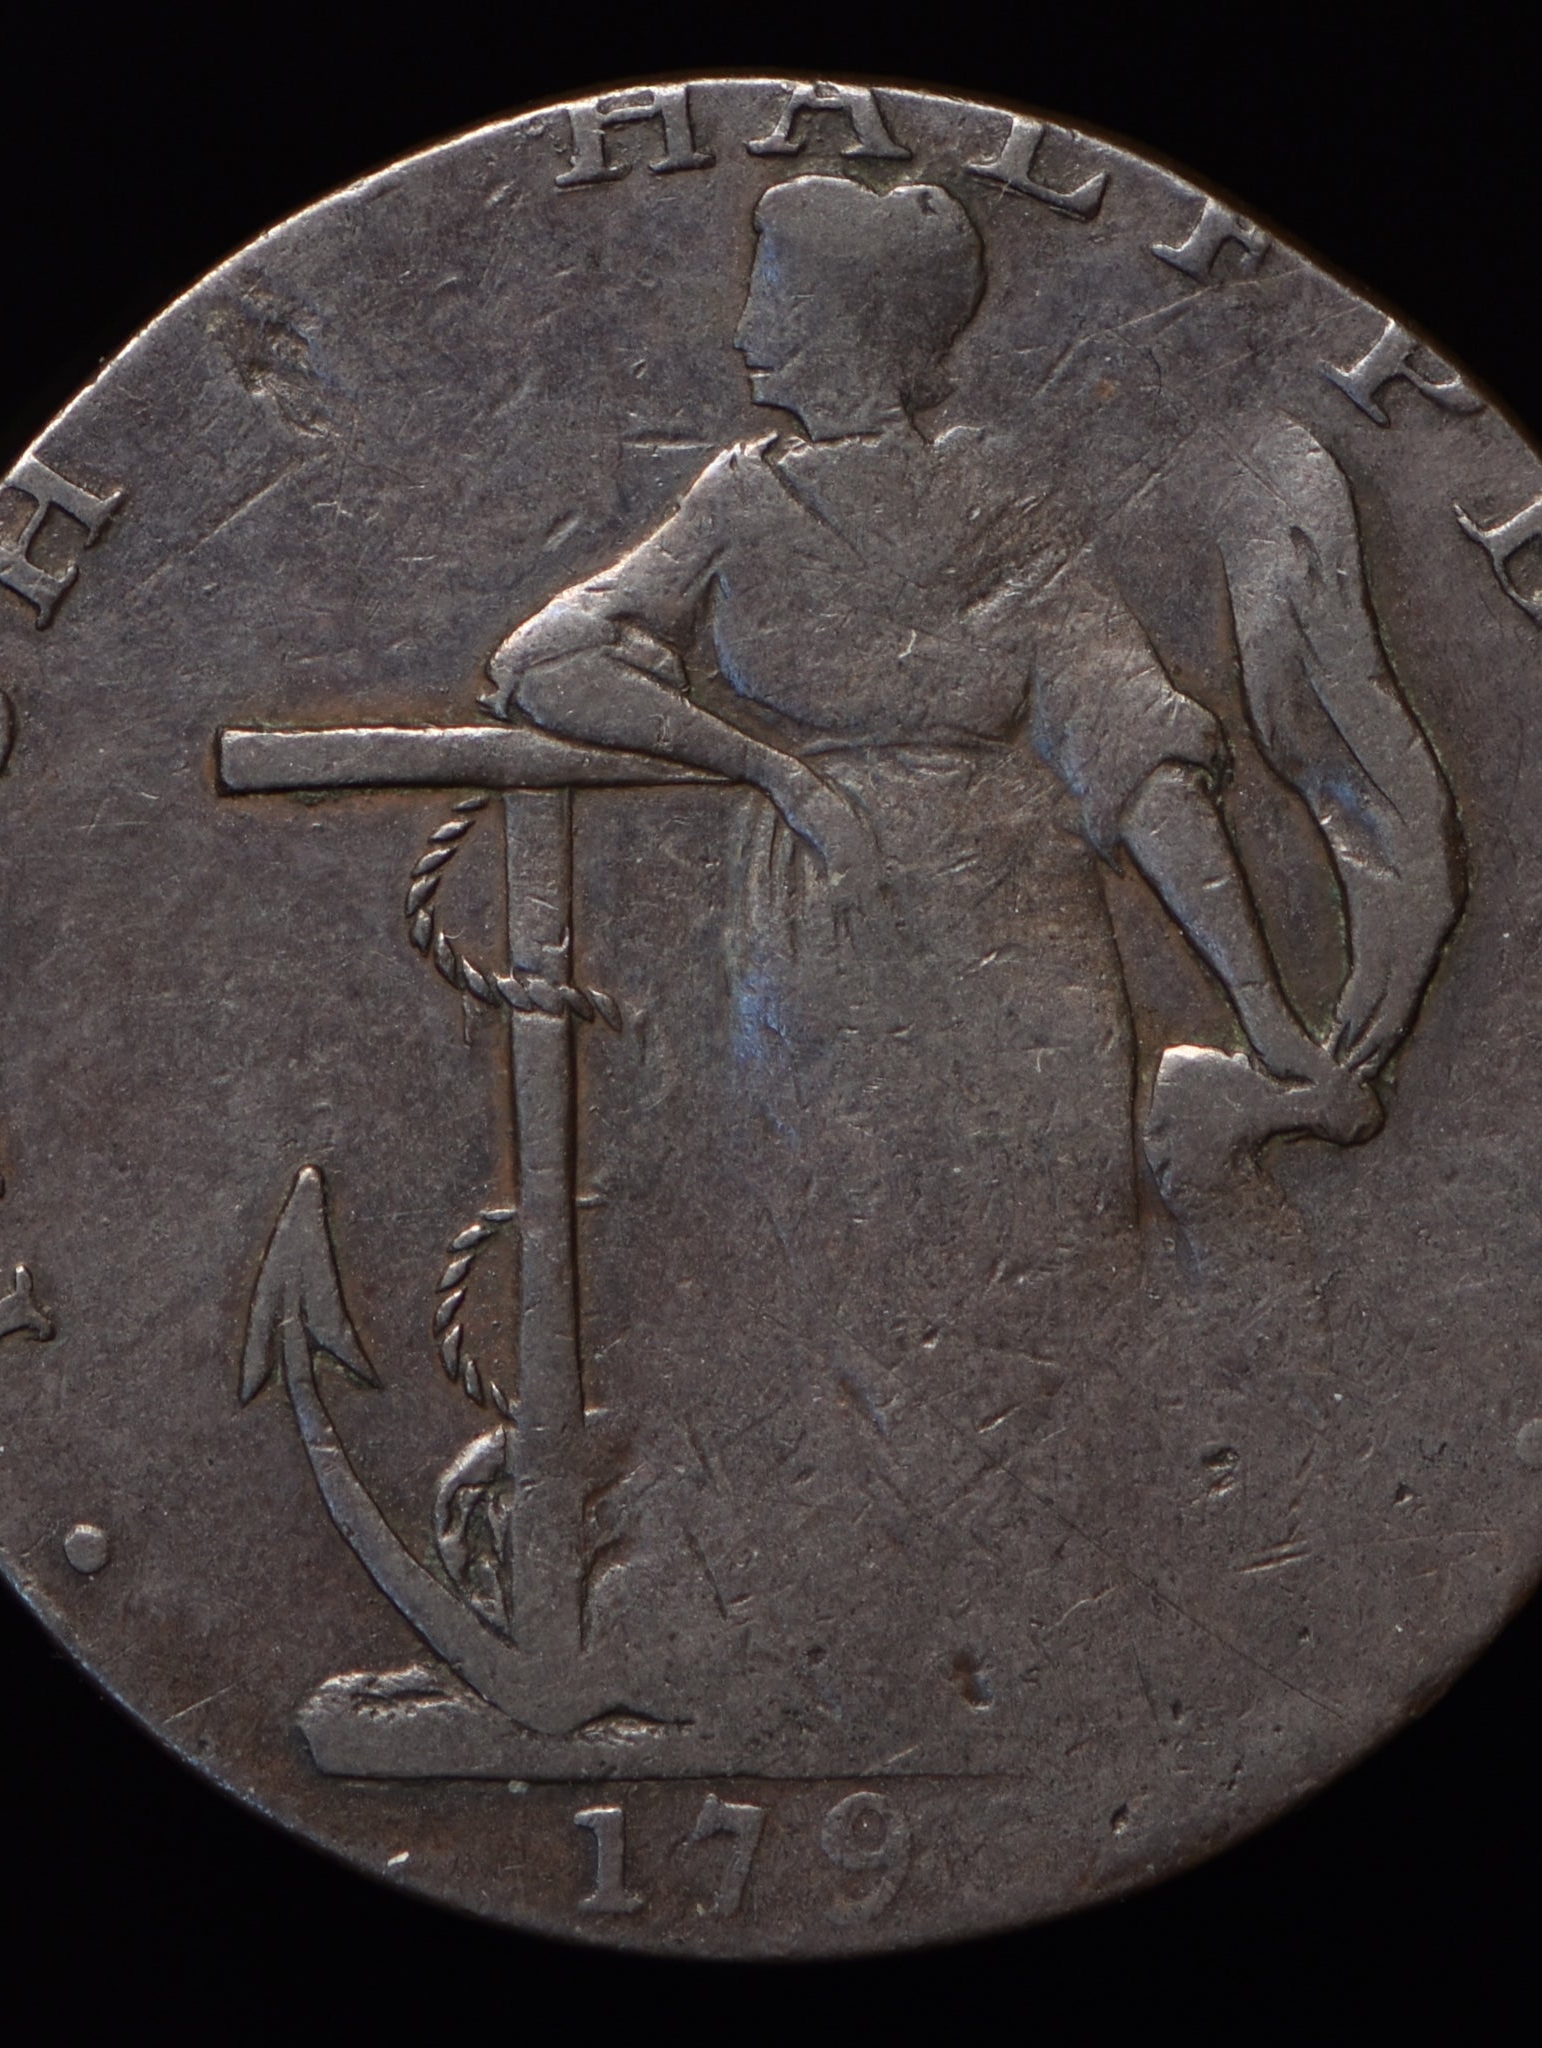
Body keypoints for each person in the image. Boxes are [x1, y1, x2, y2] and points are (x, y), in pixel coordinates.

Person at [476, 175, 1386, 1736]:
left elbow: (1133, 750)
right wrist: (763, 764)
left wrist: (1260, 1003)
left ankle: (1049, 1661)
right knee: (830, 1269)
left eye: (770, 292)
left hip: (1015, 932)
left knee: (1045, 1260)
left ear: (850, 327)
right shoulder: (743, 496)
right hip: (823, 936)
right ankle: (834, 1648)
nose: (742, 323)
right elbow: (540, 662)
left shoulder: (1001, 499)